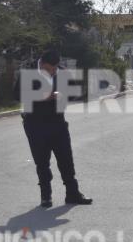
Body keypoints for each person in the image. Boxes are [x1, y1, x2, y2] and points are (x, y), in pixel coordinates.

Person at [14, 50, 92, 208]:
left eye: (55, 68)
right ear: (41, 64)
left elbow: (75, 94)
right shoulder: (28, 73)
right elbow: (17, 95)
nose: (53, 72)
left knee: (66, 160)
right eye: (49, 69)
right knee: (42, 163)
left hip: (58, 123)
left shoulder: (62, 73)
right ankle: (46, 197)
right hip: (35, 125)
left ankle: (73, 194)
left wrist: (63, 94)